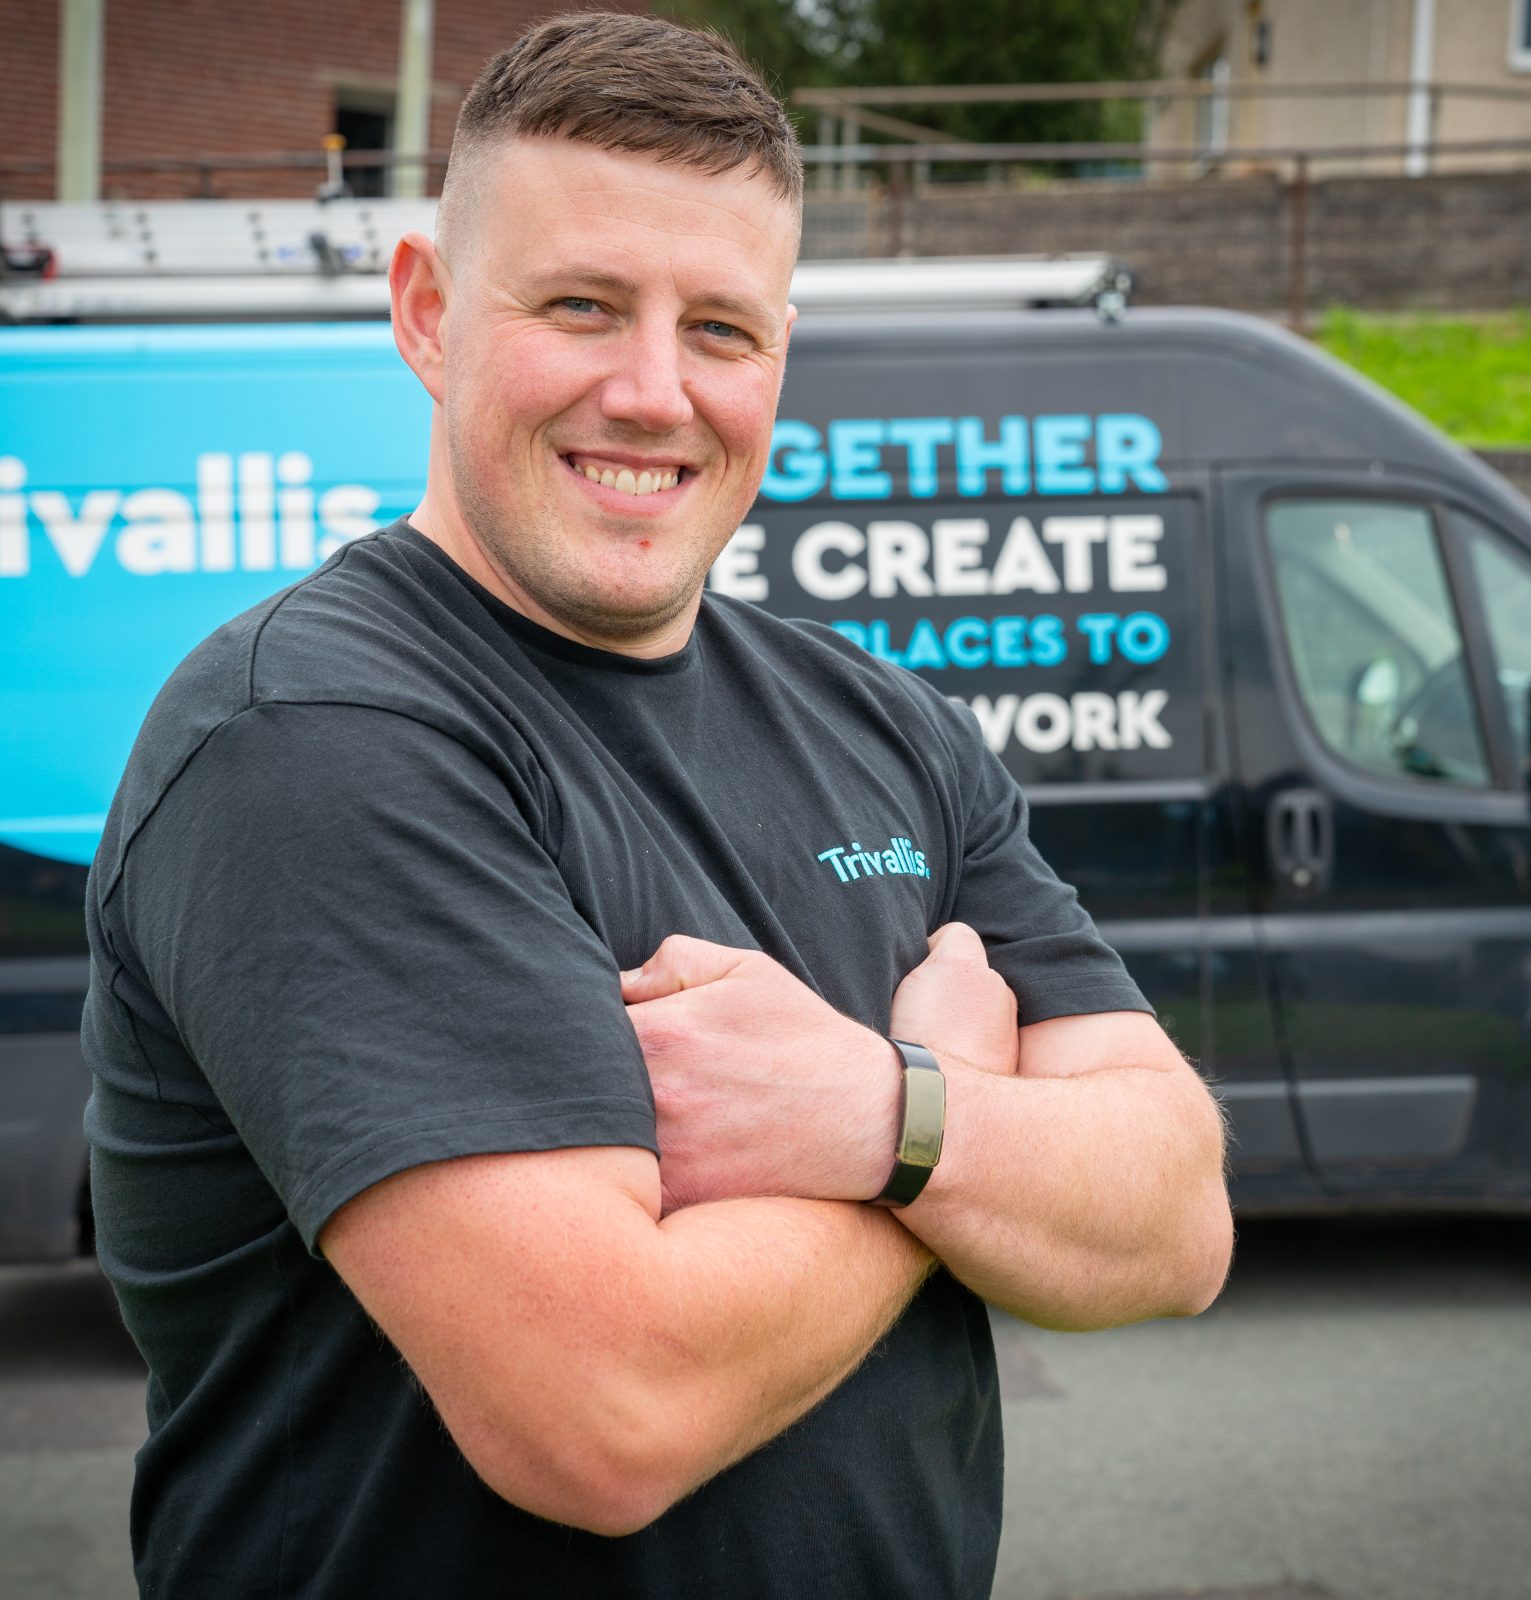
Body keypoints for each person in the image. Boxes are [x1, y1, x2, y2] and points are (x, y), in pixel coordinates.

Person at [81, 12, 1232, 1598]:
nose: (651, 392)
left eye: (722, 330)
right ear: (426, 311)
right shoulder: (314, 732)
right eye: (581, 305)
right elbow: (608, 1411)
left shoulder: (886, 724)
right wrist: (949, 1102)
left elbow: (1175, 1217)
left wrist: (865, 1111)